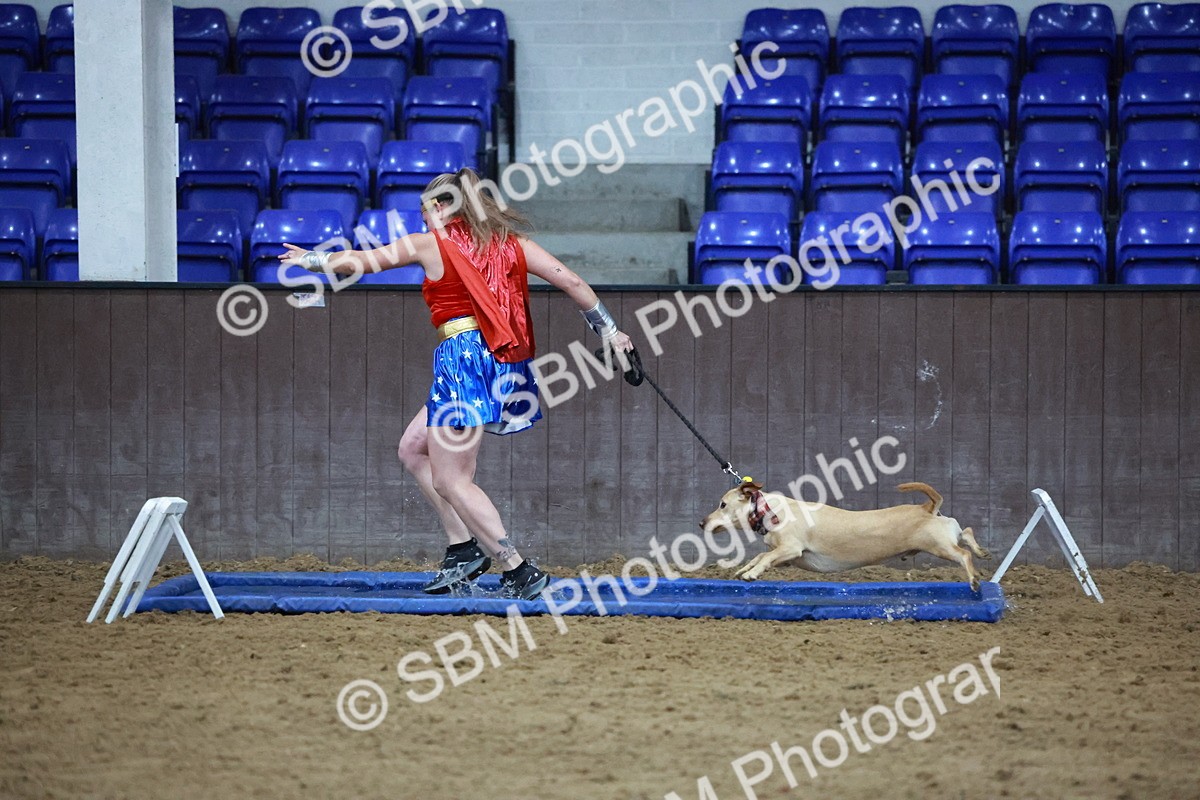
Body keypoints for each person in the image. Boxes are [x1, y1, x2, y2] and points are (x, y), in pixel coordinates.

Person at [278, 168, 634, 600]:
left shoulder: (430, 244)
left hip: (463, 362)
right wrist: (611, 332)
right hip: (503, 361)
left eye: (425, 210)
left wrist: (309, 260)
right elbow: (571, 281)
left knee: (452, 480)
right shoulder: (513, 244)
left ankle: (517, 569)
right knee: (413, 449)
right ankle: (462, 548)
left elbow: (360, 262)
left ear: (443, 207)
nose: (423, 218)